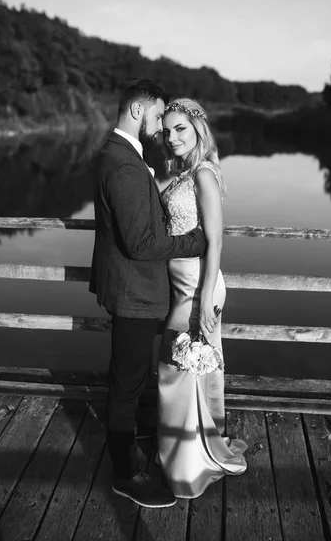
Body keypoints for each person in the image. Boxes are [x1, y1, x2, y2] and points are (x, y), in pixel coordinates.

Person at [89, 80, 207, 508]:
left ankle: (137, 445)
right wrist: (194, 243)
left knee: (133, 379)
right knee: (125, 385)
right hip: (134, 292)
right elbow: (140, 244)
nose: (160, 128)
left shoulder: (120, 156)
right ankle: (126, 473)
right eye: (158, 117)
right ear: (138, 111)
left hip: (133, 289)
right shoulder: (122, 164)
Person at [157, 98, 247, 499]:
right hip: (182, 283)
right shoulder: (181, 173)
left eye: (181, 129)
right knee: (186, 371)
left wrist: (207, 297)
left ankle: (185, 465)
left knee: (174, 367)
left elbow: (215, 242)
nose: (173, 137)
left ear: (197, 131)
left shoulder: (205, 174)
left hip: (198, 285)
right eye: (168, 130)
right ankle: (192, 450)